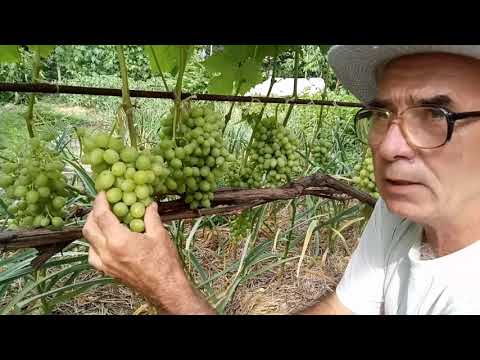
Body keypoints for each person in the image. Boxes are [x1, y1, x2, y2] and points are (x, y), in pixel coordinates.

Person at [82, 45, 480, 315]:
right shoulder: (401, 216)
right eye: (381, 115)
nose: (391, 146)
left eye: (434, 115)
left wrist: (167, 288)